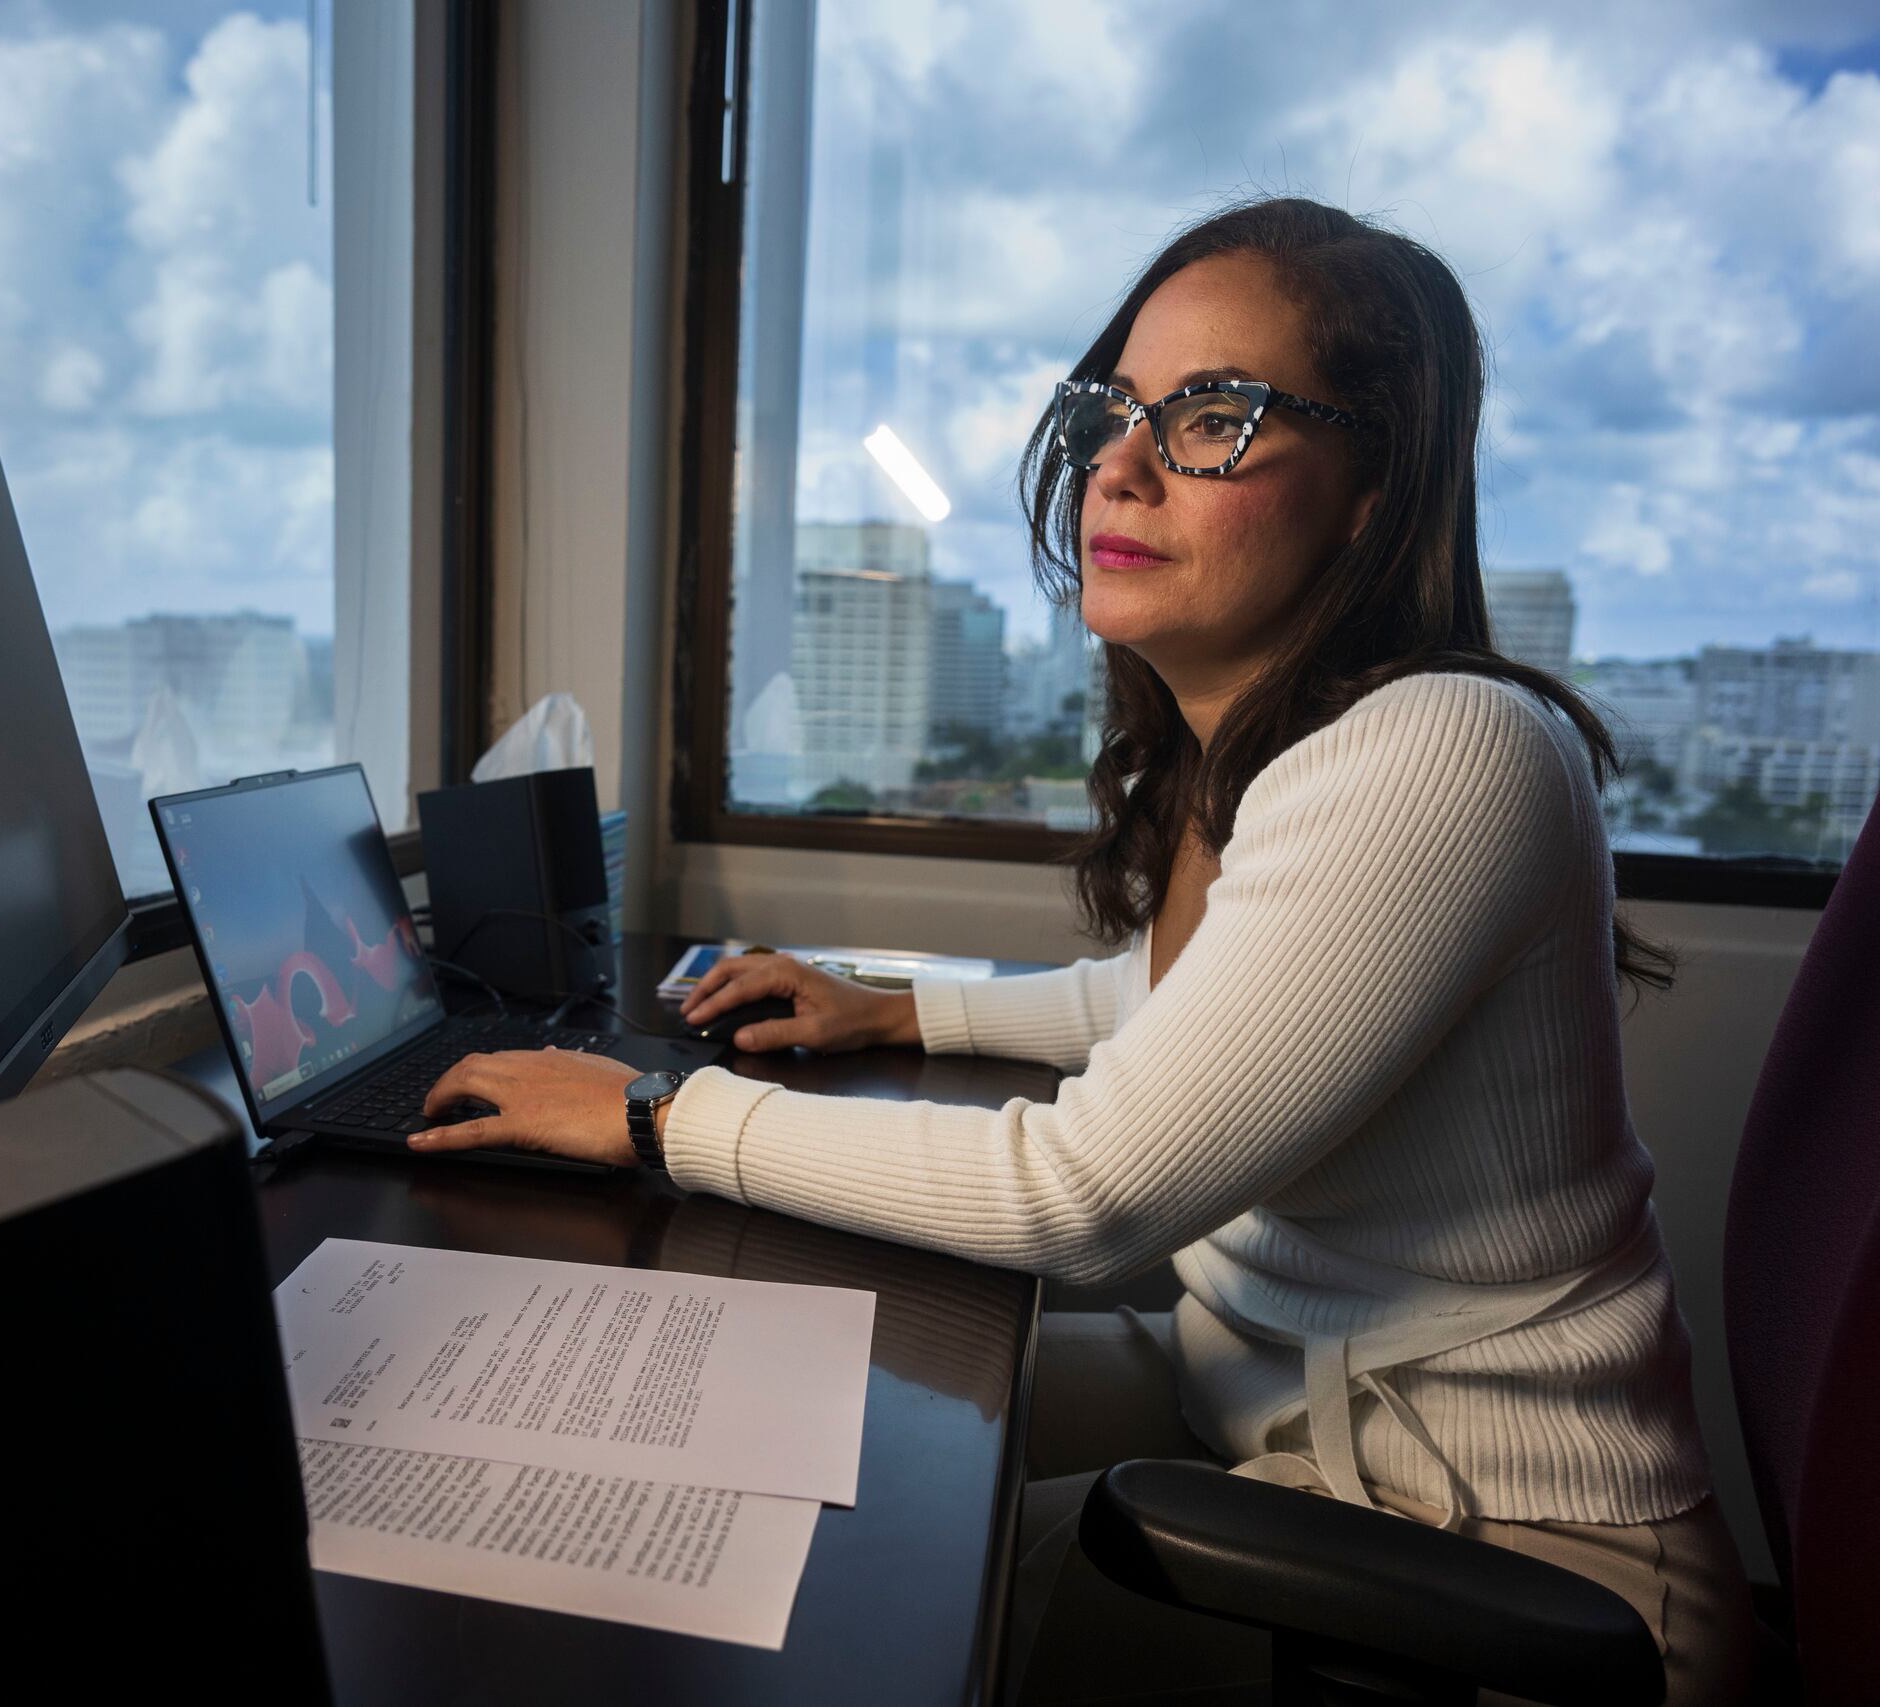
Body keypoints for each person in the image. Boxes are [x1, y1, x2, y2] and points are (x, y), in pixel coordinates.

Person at [416, 196, 1751, 1701]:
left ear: (1374, 495)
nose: (1120, 462)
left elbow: (1085, 1199)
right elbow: (1179, 1007)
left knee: (844, 1605)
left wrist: (657, 1114)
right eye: (1116, 409)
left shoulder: (1444, 746)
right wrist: (896, 1012)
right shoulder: (1279, 749)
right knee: (752, 1400)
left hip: (1492, 1551)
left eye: (1214, 417)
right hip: (1268, 1404)